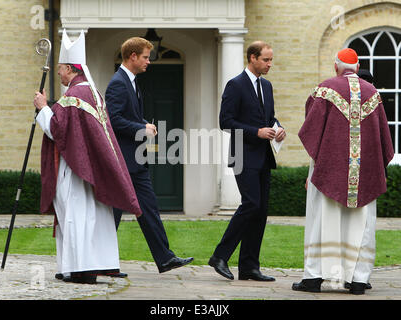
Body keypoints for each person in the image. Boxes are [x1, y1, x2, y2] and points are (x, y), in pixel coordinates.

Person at [33, 30, 142, 284]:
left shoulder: (75, 96)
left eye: (61, 69)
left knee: (76, 216)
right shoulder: (90, 93)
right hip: (89, 168)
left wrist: (43, 108)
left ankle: (81, 269)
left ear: (71, 69)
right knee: (89, 216)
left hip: (75, 171)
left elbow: (57, 130)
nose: (58, 73)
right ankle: (81, 266)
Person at [293, 48, 394, 295]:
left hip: (329, 170)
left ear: (335, 67)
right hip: (365, 174)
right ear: (358, 68)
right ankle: (358, 280)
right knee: (363, 224)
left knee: (321, 219)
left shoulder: (325, 90)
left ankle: (314, 277)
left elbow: (311, 130)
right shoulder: (374, 93)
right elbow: (384, 138)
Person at [105, 37, 193, 274]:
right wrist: (140, 128)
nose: (148, 62)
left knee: (148, 209)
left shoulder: (130, 81)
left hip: (135, 161)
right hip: (123, 161)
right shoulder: (119, 83)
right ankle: (101, 262)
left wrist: (143, 123)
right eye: (145, 57)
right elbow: (112, 119)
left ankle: (164, 258)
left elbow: (128, 115)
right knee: (112, 214)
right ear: (132, 56)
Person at [209, 41, 286, 281]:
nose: (270, 64)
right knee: (251, 204)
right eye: (266, 60)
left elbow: (269, 117)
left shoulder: (267, 86)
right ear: (252, 58)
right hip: (243, 155)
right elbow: (225, 121)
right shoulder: (235, 85)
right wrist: (256, 132)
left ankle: (249, 266)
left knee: (260, 211)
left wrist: (278, 128)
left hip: (264, 155)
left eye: (271, 60)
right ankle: (220, 256)